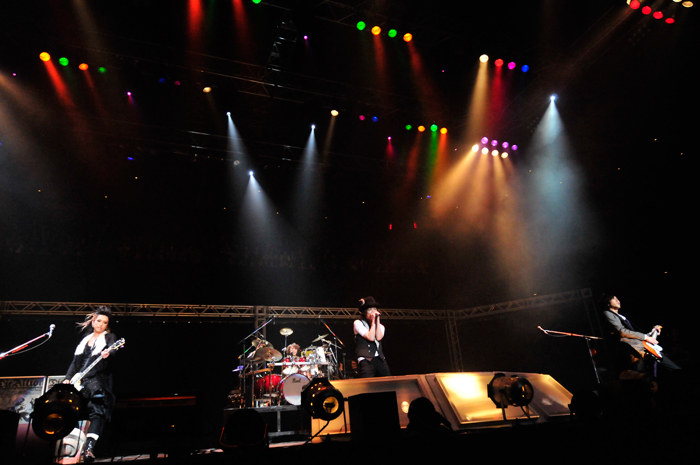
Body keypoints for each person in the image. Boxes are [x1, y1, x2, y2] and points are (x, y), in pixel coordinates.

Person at [62, 307, 118, 462]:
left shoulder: (109, 337)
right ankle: (71, 446)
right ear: (93, 322)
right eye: (99, 321)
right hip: (80, 380)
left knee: (97, 412)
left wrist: (108, 353)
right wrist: (68, 378)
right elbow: (75, 363)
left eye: (105, 322)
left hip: (97, 380)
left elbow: (113, 349)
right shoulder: (84, 340)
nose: (101, 324)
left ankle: (89, 448)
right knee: (70, 410)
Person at [600, 294, 680, 379]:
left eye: (617, 298)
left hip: (642, 347)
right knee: (645, 374)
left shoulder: (621, 316)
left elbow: (634, 333)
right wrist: (646, 337)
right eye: (613, 299)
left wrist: (651, 333)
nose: (617, 301)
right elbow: (621, 331)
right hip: (634, 350)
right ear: (607, 303)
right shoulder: (607, 313)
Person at [354, 296, 390, 378]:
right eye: (370, 310)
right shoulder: (358, 323)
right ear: (364, 312)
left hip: (379, 359)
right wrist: (373, 322)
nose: (373, 312)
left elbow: (379, 337)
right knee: (367, 383)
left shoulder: (381, 326)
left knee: (387, 381)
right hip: (366, 360)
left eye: (374, 309)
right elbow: (370, 337)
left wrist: (377, 320)